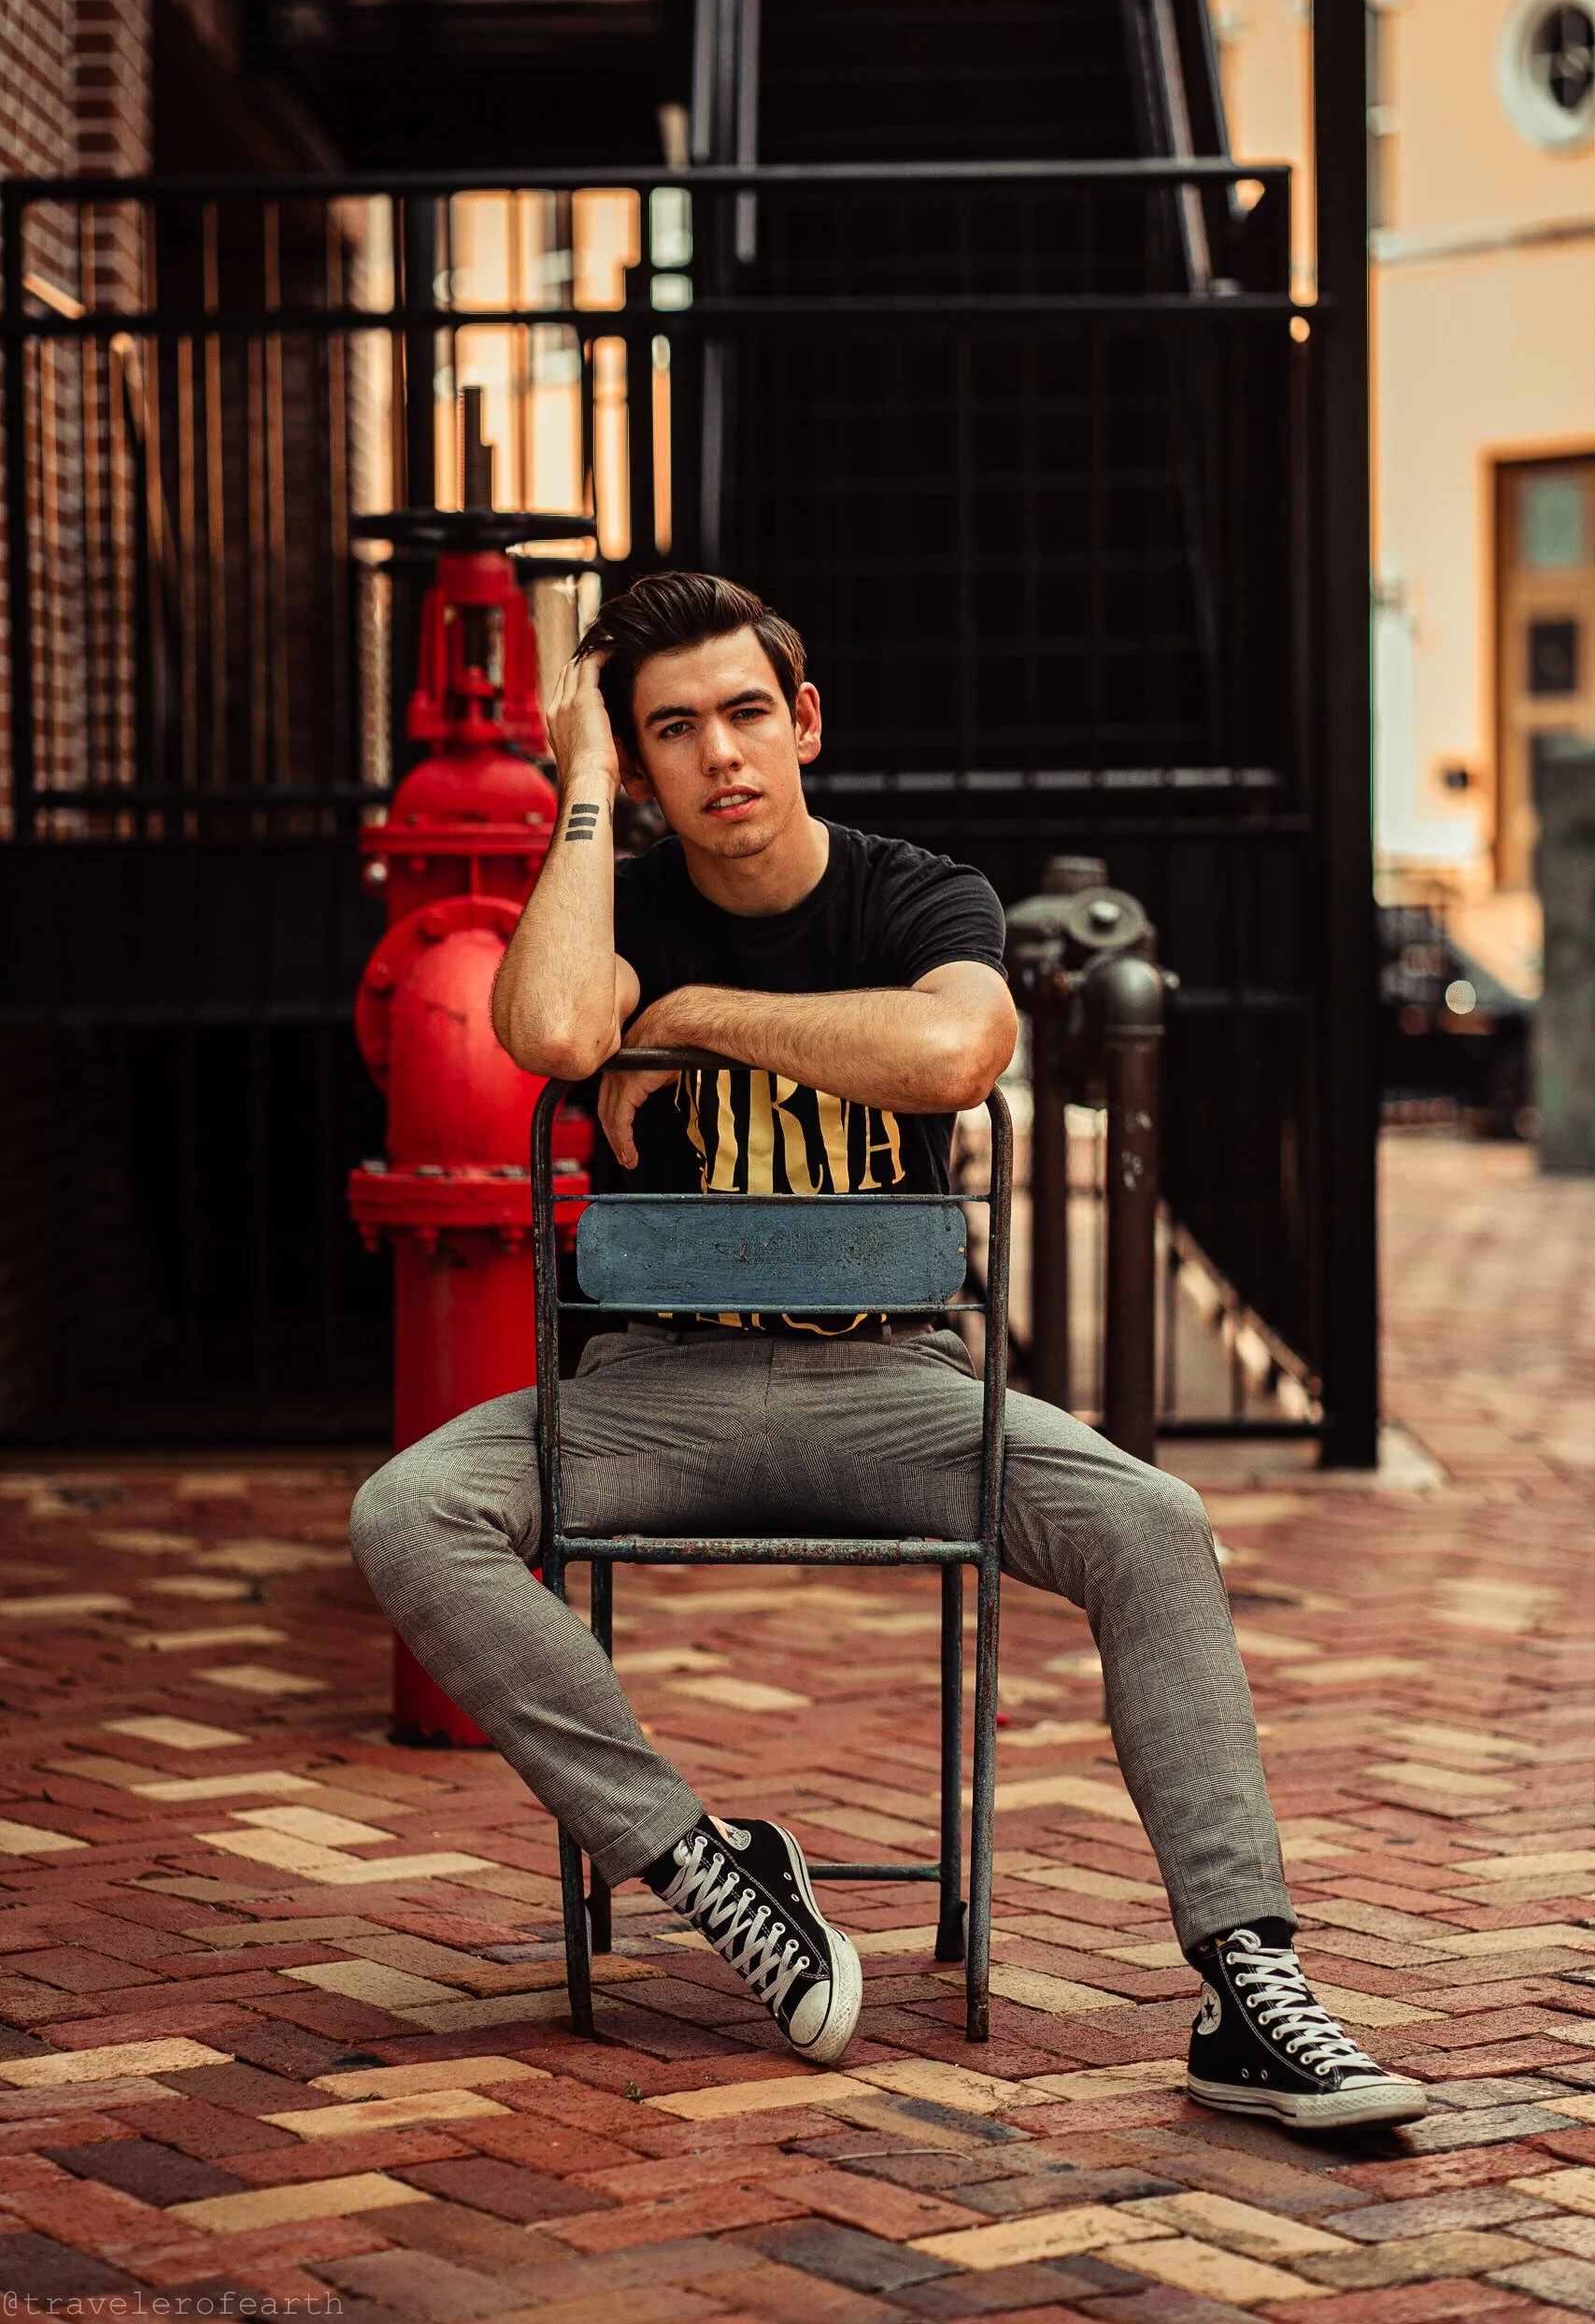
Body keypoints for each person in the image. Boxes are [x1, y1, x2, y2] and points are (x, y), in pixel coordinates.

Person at [351, 571, 1424, 2128]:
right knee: (406, 1512)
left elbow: (951, 1050)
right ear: (637, 766)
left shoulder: (914, 895)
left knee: (1153, 1523)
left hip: (899, 1390)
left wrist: (699, 1016)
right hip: (656, 1393)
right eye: (666, 732)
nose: (715, 755)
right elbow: (553, 1034)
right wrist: (576, 783)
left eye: (738, 715)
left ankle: (1247, 1988)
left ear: (801, 724)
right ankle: (706, 1870)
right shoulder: (620, 908)